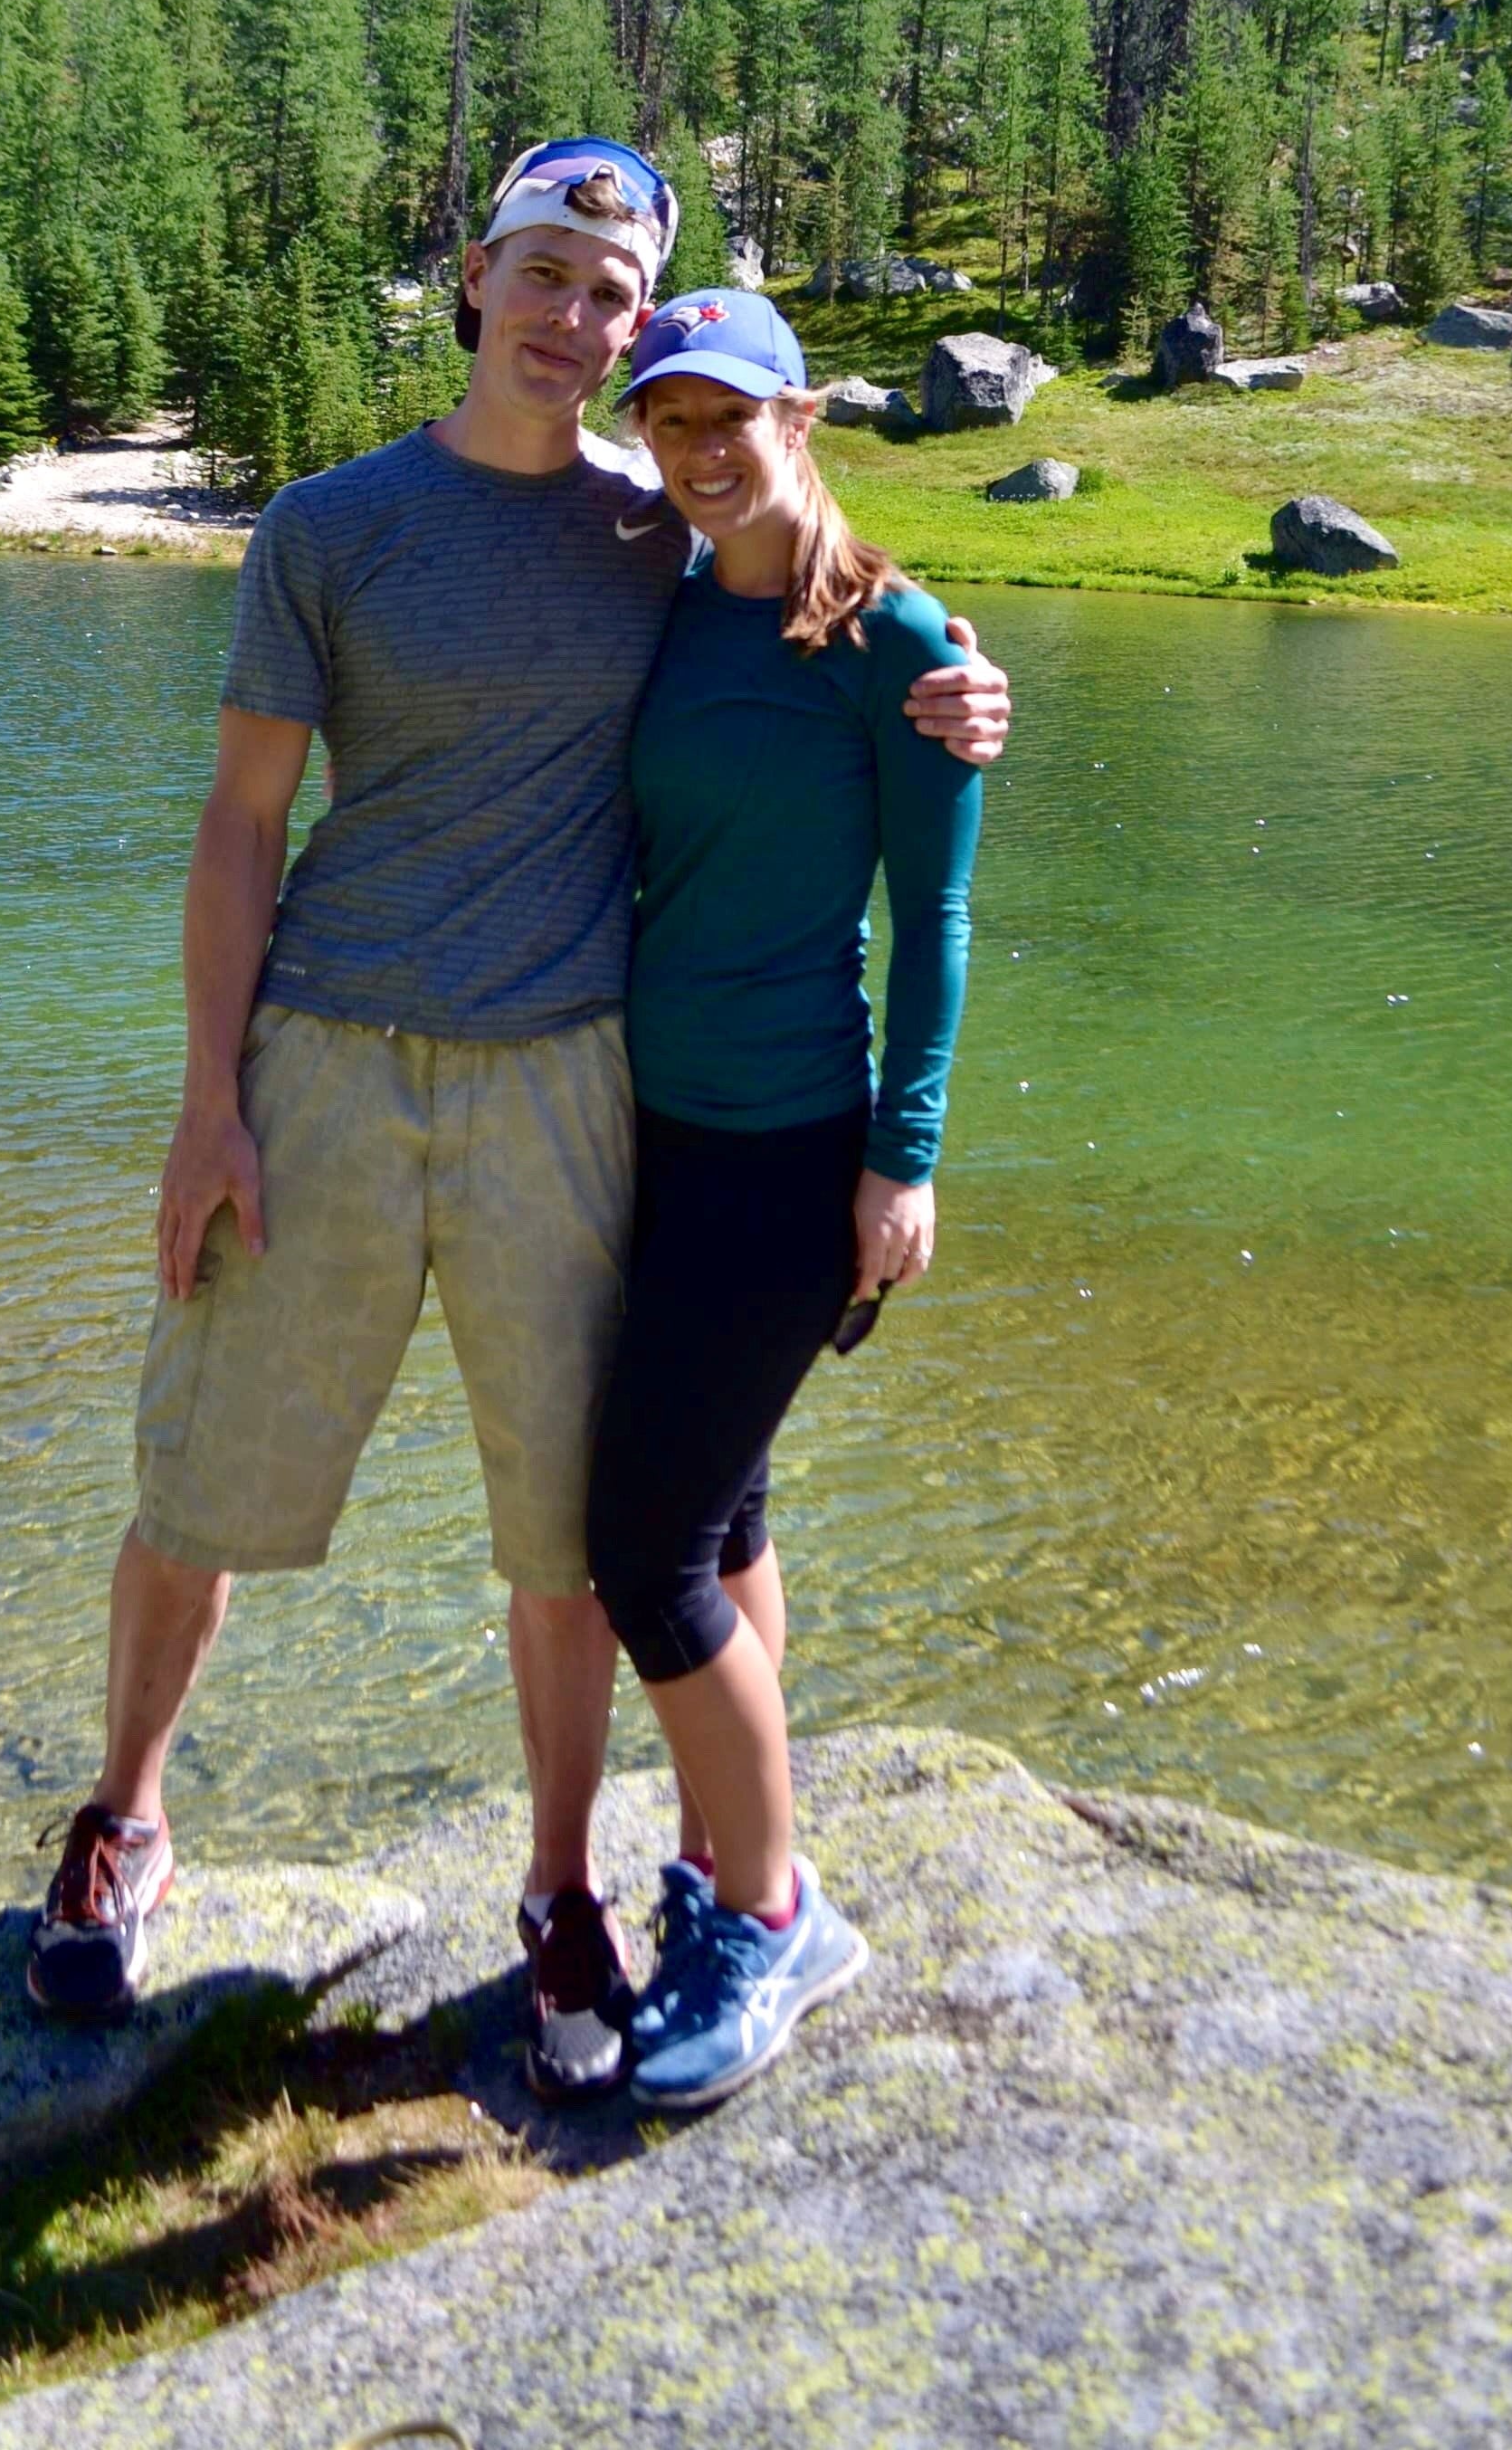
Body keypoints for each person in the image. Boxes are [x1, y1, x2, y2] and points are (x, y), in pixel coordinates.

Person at [27, 138, 1013, 2099]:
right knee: (202, 1472)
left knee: (568, 1533)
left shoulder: (662, 521)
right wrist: (205, 1100)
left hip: (569, 1079)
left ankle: (564, 1886)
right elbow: (239, 826)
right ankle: (125, 1815)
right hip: (323, 1056)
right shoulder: (329, 527)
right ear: (475, 277)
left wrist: (973, 690)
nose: (578, 317)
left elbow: (830, 591)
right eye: (547, 274)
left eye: (614, 291)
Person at [584, 286, 984, 2110]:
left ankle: (768, 1910)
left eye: (732, 414)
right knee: (727, 1518)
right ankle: (728, 1852)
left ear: (801, 416)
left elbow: (938, 924)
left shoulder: (896, 646)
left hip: (789, 1149)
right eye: (669, 420)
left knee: (639, 1548)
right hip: (650, 1134)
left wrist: (904, 1155)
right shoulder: (670, 613)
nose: (702, 448)